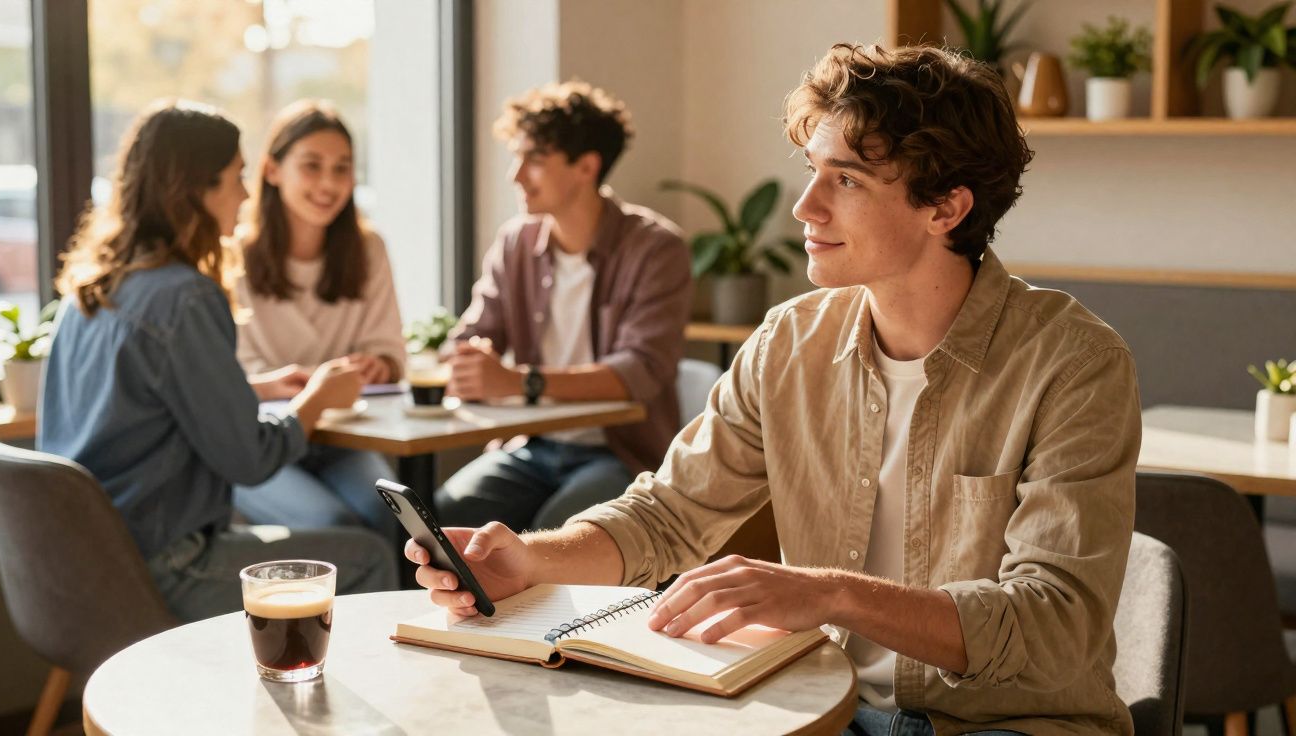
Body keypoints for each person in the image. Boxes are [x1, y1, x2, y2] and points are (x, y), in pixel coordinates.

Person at [408, 45, 1141, 735]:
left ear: (945, 208)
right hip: (826, 706)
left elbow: (1053, 625)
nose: (806, 206)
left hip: (1002, 724)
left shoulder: (1073, 363)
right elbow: (668, 514)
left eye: (847, 179)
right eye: (813, 171)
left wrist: (828, 594)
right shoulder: (791, 341)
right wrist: (534, 560)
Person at [39, 100, 397, 622]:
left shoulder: (89, 292)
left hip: (85, 563)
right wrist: (314, 401)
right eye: (237, 178)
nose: (247, 195)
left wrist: (258, 391)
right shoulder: (187, 298)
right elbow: (248, 460)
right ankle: (343, 704)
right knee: (369, 557)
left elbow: (144, 404)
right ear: (194, 189)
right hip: (169, 564)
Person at [433, 80, 692, 532]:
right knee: (444, 518)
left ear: (585, 167)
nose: (516, 176)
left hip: (620, 454)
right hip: (531, 447)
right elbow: (470, 337)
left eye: (534, 159)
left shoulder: (655, 248)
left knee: (554, 534)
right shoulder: (516, 242)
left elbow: (640, 371)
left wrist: (517, 380)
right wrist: (467, 362)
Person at [230, 99, 406, 542]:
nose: (329, 183)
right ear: (272, 170)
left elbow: (388, 347)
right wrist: (306, 388)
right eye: (312, 165)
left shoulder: (368, 251)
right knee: (335, 528)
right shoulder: (234, 257)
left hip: (339, 441)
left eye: (342, 168)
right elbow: (230, 377)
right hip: (260, 446)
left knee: (396, 518)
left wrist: (378, 365)